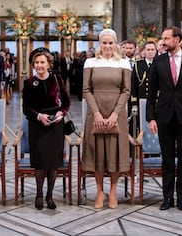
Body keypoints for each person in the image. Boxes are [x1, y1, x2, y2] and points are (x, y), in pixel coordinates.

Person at [146, 26, 182, 211]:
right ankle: (167, 197)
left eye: (166, 38)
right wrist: (151, 118)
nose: (162, 42)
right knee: (168, 159)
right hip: (164, 116)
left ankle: (181, 198)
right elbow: (151, 92)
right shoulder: (158, 61)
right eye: (162, 38)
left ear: (177, 39)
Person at [82, 28, 131, 209]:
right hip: (95, 113)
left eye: (111, 43)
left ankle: (113, 192)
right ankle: (100, 191)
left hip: (117, 114)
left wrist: (114, 114)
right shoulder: (90, 62)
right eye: (104, 43)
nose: (108, 46)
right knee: (98, 154)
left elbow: (126, 91)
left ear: (115, 44)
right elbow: (86, 90)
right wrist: (96, 113)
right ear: (100, 44)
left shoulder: (124, 63)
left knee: (114, 153)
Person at [22, 47, 70, 210]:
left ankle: (50, 195)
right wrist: (39, 116)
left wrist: (60, 113)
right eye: (36, 62)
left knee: (53, 163)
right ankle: (39, 195)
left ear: (48, 63)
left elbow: (66, 102)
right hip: (37, 126)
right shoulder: (28, 83)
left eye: (42, 62)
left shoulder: (57, 79)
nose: (39, 65)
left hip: (55, 126)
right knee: (40, 163)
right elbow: (26, 108)